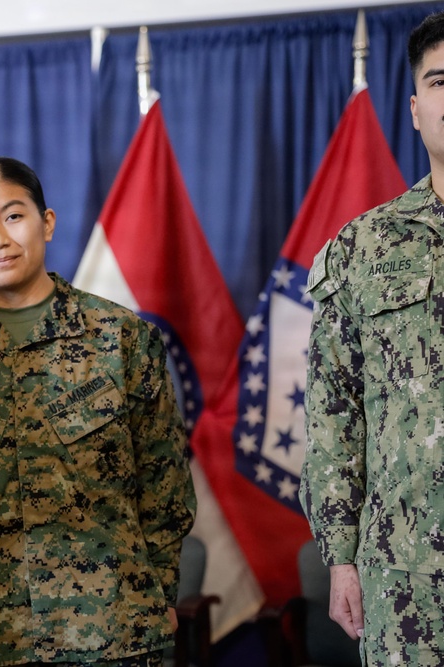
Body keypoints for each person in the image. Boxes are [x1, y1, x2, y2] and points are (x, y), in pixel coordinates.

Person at [0, 156, 196, 667]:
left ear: (47, 222)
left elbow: (164, 481)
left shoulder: (121, 338)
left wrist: (161, 595)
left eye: (13, 216)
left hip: (115, 630)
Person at [300, 11, 444, 666]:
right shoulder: (364, 248)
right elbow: (334, 415)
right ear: (415, 110)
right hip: (405, 578)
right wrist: (340, 558)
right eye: (439, 82)